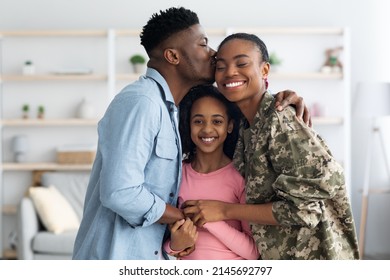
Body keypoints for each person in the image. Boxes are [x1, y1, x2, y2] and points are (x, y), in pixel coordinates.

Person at [72, 7, 309, 260]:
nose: (214, 53)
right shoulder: (142, 102)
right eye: (203, 44)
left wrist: (276, 100)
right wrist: (187, 215)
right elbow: (120, 192)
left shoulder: (169, 109)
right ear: (173, 56)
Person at [182, 33, 360, 260]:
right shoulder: (246, 127)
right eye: (221, 66)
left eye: (242, 63)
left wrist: (224, 210)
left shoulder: (280, 120)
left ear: (265, 70)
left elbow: (306, 207)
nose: (230, 72)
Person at [163, 85, 259, 260]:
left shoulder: (240, 178)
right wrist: (175, 245)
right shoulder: (177, 174)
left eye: (217, 121)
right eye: (198, 121)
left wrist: (210, 220)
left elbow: (253, 253)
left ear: (229, 126)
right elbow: (167, 244)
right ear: (188, 124)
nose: (207, 129)